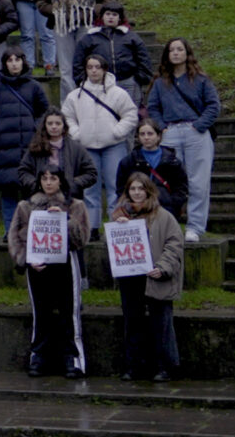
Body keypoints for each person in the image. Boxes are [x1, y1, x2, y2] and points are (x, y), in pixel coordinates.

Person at [12, 169, 89, 378]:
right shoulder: (25, 207)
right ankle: (38, 356)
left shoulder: (75, 206)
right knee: (41, 312)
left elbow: (82, 238)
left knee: (68, 312)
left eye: (53, 178)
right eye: (44, 178)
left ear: (61, 181)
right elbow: (15, 237)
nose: (48, 183)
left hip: (65, 264)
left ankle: (73, 359)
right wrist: (26, 259)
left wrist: (66, 221)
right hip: (38, 265)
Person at [113, 172, 184, 382]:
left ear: (148, 191)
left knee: (160, 323)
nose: (136, 193)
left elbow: (175, 244)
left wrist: (162, 267)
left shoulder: (164, 216)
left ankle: (165, 367)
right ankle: (134, 366)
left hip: (155, 276)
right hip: (130, 278)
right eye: (132, 189)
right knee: (132, 322)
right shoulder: (118, 217)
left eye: (140, 189)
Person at [147, 38, 220, 242]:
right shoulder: (161, 82)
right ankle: (169, 224)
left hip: (195, 132)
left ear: (187, 53)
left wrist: (198, 126)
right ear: (167, 55)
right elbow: (152, 107)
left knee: (198, 182)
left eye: (180, 49)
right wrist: (163, 127)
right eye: (172, 50)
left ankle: (195, 227)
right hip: (170, 133)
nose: (176, 53)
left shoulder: (201, 80)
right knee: (169, 181)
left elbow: (213, 105)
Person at [63, 52, 139, 234]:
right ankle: (93, 226)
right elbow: (67, 116)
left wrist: (117, 132)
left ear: (105, 69)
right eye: (90, 67)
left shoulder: (118, 93)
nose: (94, 71)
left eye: (98, 67)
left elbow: (130, 114)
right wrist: (77, 133)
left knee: (115, 187)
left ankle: (116, 225)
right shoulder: (75, 96)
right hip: (87, 146)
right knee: (90, 190)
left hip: (114, 145)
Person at [0, 51, 51, 230]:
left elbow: (45, 112)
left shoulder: (34, 87)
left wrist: (35, 128)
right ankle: (10, 231)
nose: (14, 64)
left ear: (23, 62)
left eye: (17, 60)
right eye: (9, 61)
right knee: (8, 193)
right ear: (5, 64)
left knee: (31, 192)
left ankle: (31, 231)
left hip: (30, 147)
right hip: (5, 148)